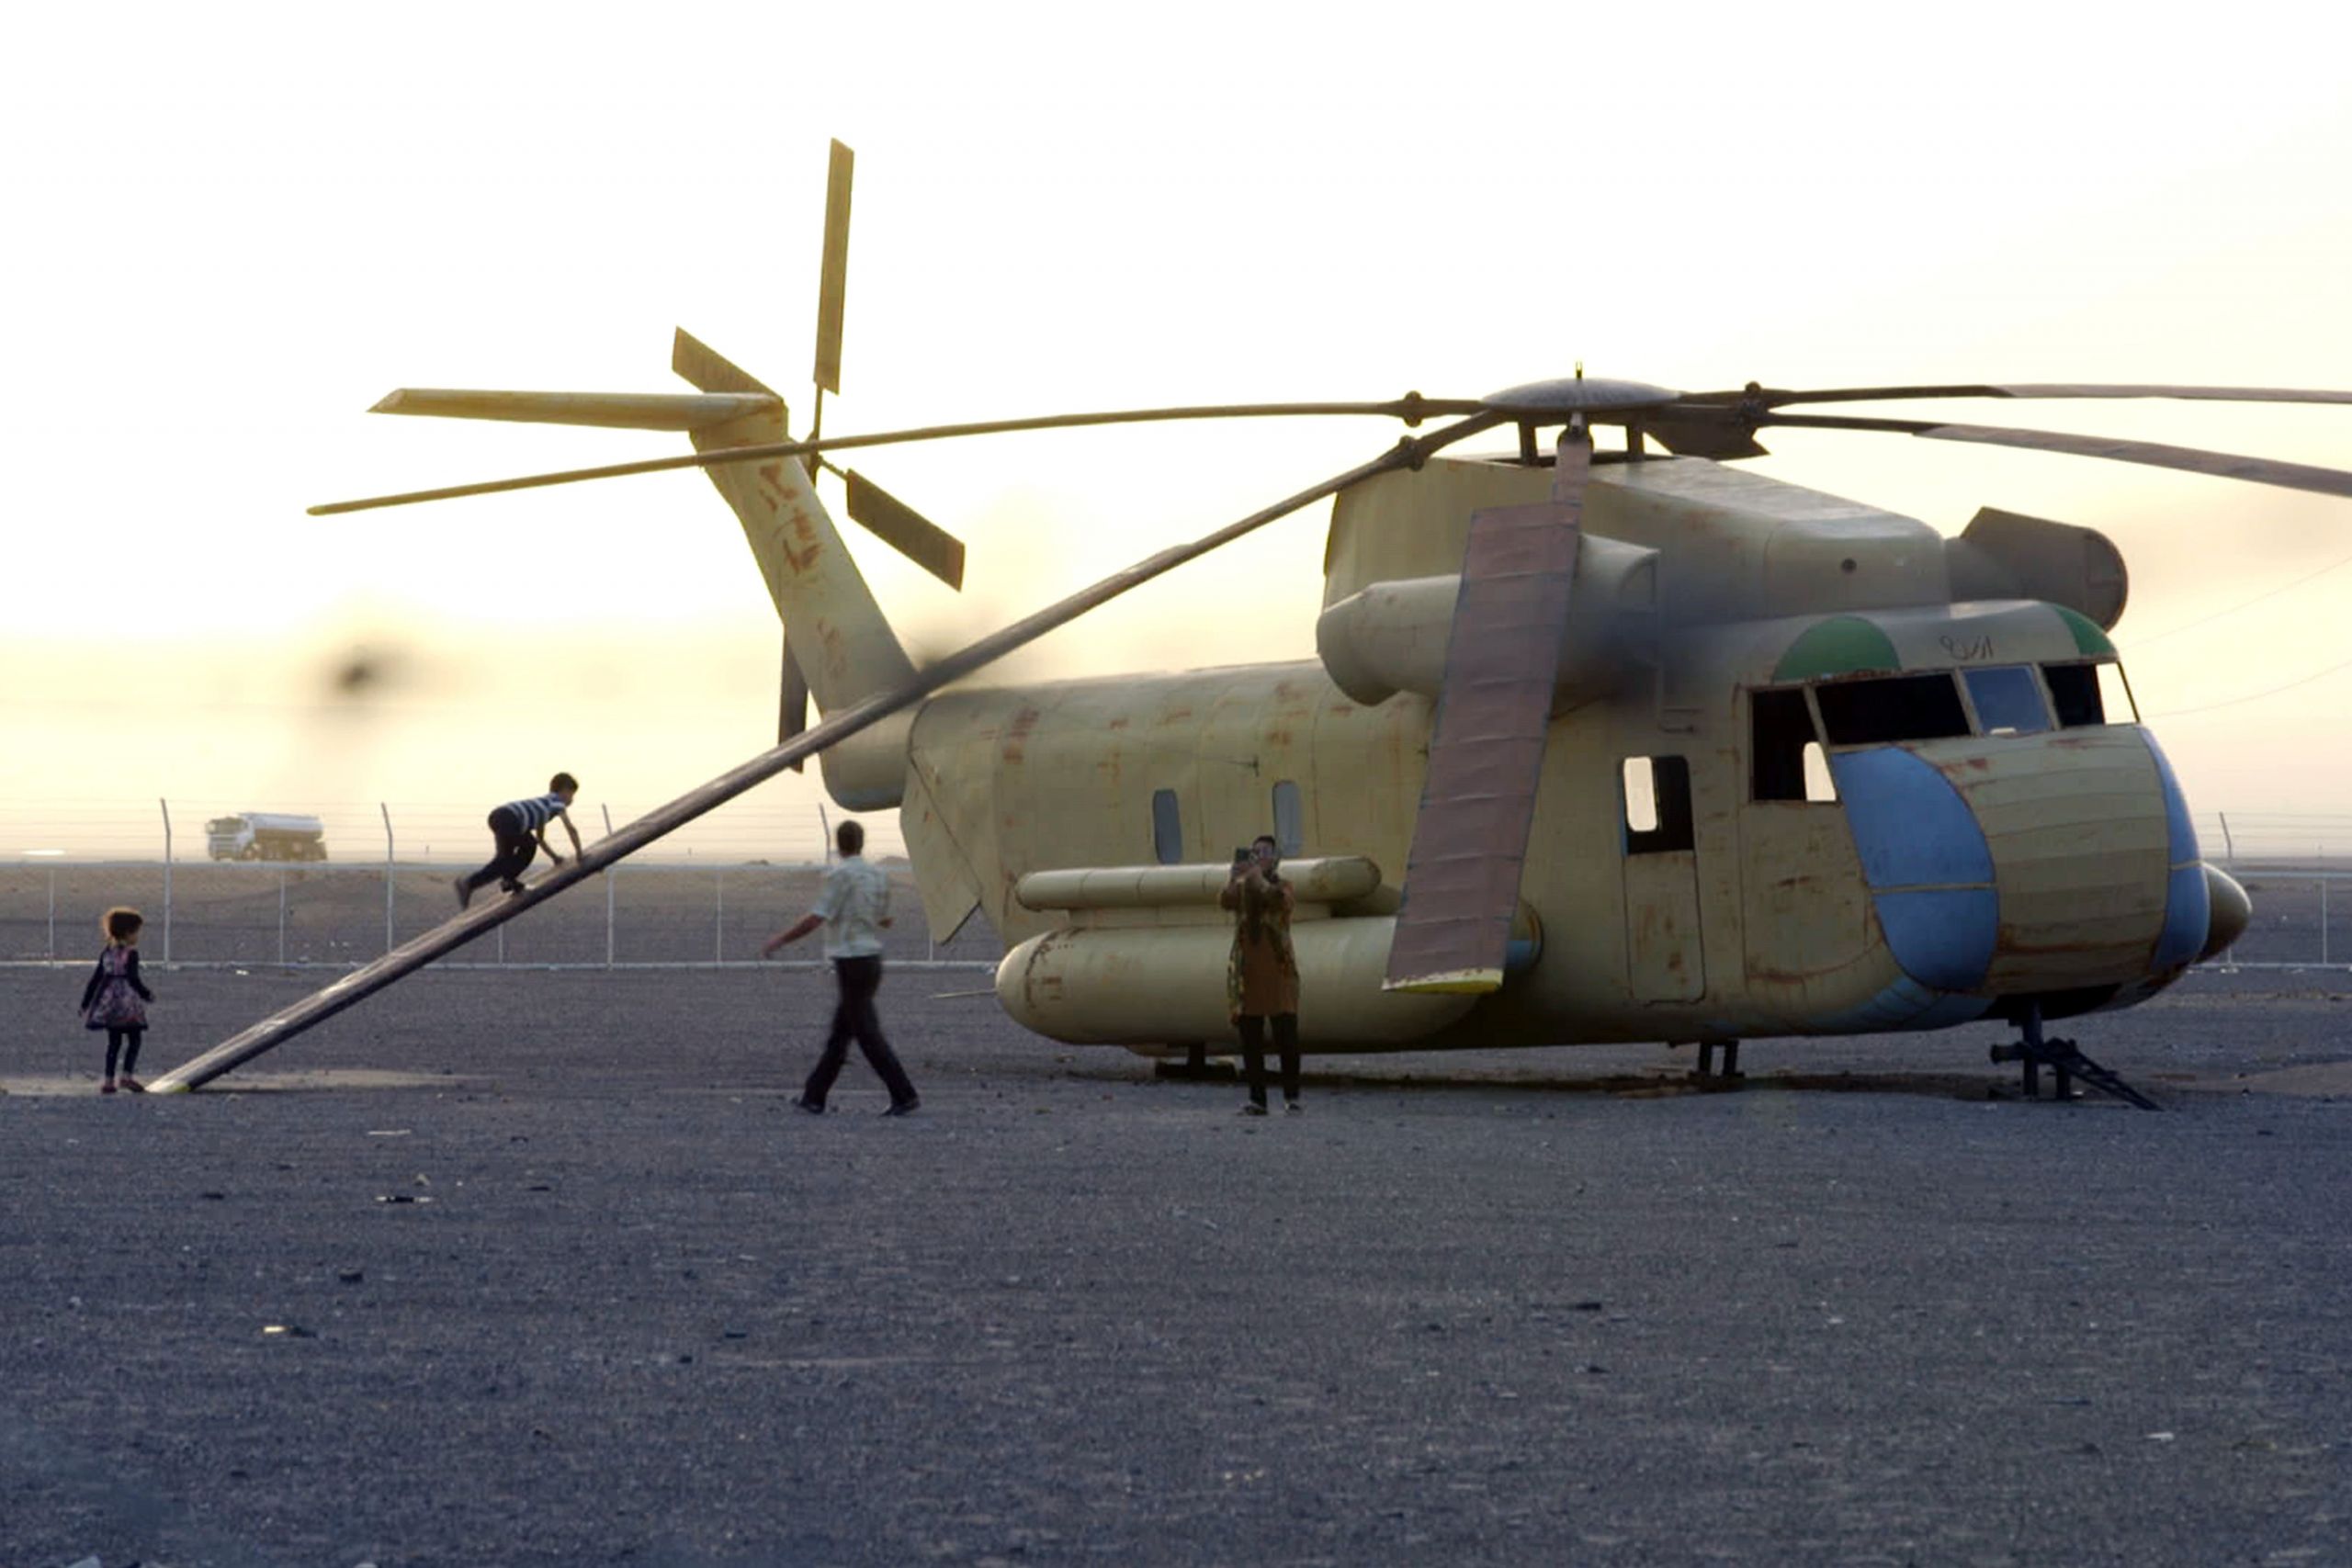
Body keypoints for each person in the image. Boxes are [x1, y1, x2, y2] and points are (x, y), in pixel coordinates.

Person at [761, 818, 920, 1116]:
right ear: (861, 842)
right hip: (871, 960)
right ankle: (814, 1096)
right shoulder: (877, 875)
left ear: (839, 843)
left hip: (851, 961)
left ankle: (904, 1094)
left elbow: (816, 917)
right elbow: (885, 919)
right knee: (842, 1034)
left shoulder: (840, 876)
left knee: (866, 1035)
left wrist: (780, 939)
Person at [1220, 833, 1302, 1115]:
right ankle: (1258, 1099)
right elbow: (1225, 901)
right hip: (1248, 971)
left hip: (1278, 969)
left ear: (1275, 857)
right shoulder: (1244, 889)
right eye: (1255, 852)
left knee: (1286, 1036)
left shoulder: (1282, 885)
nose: (1260, 856)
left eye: (1265, 851)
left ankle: (1292, 1096)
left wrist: (1257, 878)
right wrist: (1233, 878)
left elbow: (1281, 901)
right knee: (1250, 1038)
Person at [456, 773, 583, 908]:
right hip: (510, 818)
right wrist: (580, 854)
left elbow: (541, 839)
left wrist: (555, 857)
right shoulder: (557, 802)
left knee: (504, 859)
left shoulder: (543, 806)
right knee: (527, 847)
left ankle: (473, 883)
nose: (572, 799)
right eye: (572, 794)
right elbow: (571, 829)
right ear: (564, 790)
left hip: (500, 816)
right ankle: (502, 880)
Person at [80, 906, 156, 1094]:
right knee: (134, 1039)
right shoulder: (131, 954)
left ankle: (108, 1081)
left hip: (109, 1003)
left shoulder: (107, 952)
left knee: (113, 1042)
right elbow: (133, 978)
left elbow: (96, 978)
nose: (137, 936)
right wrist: (146, 994)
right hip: (127, 1003)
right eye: (136, 932)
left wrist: (86, 1002)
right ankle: (126, 1076)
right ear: (128, 932)